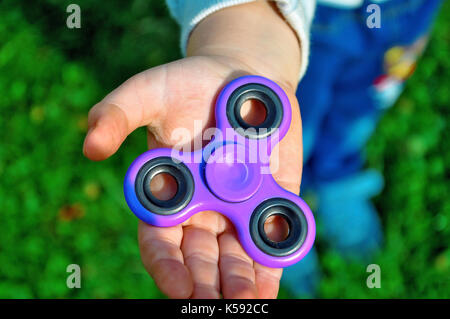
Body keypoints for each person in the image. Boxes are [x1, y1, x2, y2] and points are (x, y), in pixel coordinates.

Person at [82, 0, 442, 298]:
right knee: (303, 118)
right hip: (302, 23)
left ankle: (338, 180)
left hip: (406, 16)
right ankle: (275, 226)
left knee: (359, 110)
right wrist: (241, 42)